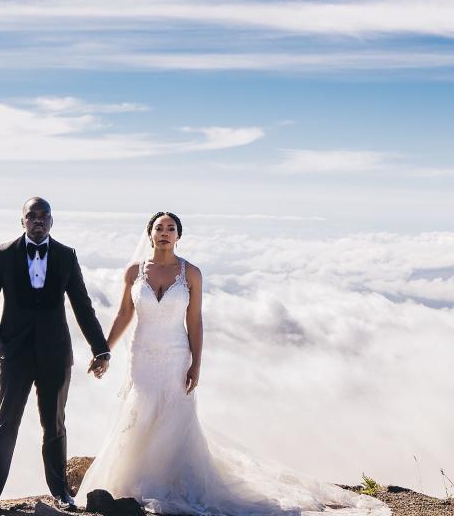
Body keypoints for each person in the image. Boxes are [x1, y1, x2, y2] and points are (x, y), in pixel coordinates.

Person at [77, 212, 389, 516]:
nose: (165, 233)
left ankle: (165, 482)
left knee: (172, 418)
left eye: (171, 228)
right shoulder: (134, 272)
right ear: (150, 234)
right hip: (141, 356)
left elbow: (195, 322)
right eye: (159, 227)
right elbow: (123, 314)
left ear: (178, 236)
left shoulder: (191, 273)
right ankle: (134, 481)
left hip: (175, 356)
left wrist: (196, 364)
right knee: (139, 412)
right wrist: (104, 350)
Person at [0, 197, 111, 514]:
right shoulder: (4, 253)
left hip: (55, 355)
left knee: (55, 425)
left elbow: (82, 305)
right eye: (32, 215)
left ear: (52, 221)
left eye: (44, 215)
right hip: (14, 355)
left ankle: (62, 494)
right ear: (22, 220)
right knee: (6, 424)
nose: (38, 220)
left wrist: (100, 348)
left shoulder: (66, 256)